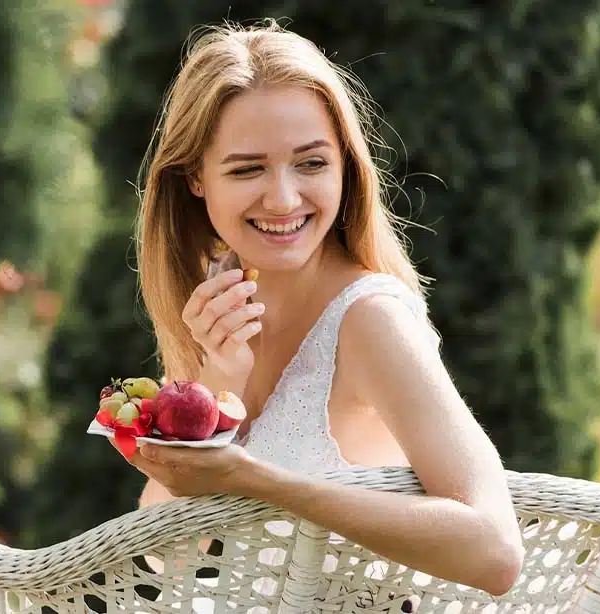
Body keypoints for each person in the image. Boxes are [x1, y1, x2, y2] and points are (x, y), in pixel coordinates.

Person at [112, 19, 525, 601]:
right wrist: (216, 389)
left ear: (345, 168)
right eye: (247, 168)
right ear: (195, 180)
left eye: (310, 163)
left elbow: (496, 551)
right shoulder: (225, 309)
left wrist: (255, 479)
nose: (283, 198)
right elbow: (163, 560)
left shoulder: (370, 319)